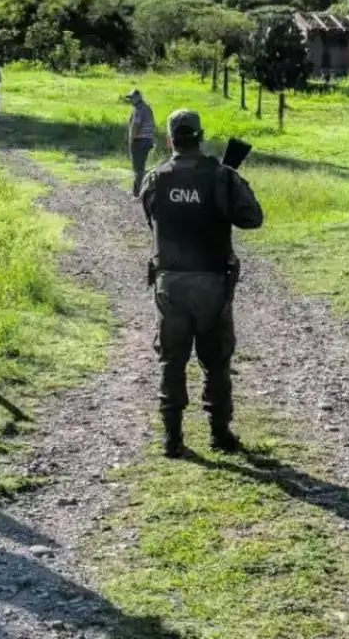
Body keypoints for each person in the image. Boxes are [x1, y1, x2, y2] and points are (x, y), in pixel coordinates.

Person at [140, 110, 264, 458]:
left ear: (170, 140)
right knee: (216, 360)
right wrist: (231, 181)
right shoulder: (222, 177)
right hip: (211, 282)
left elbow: (154, 220)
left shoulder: (155, 178)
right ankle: (220, 435)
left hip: (171, 282)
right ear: (201, 136)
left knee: (172, 360)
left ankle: (172, 439)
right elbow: (252, 218)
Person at [125, 88, 156, 198]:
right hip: (148, 140)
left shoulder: (138, 109)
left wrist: (130, 139)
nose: (130, 100)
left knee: (138, 169)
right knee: (141, 167)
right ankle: (136, 191)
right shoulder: (147, 107)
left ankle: (141, 194)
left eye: (132, 98)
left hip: (139, 141)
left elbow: (135, 126)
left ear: (137, 97)